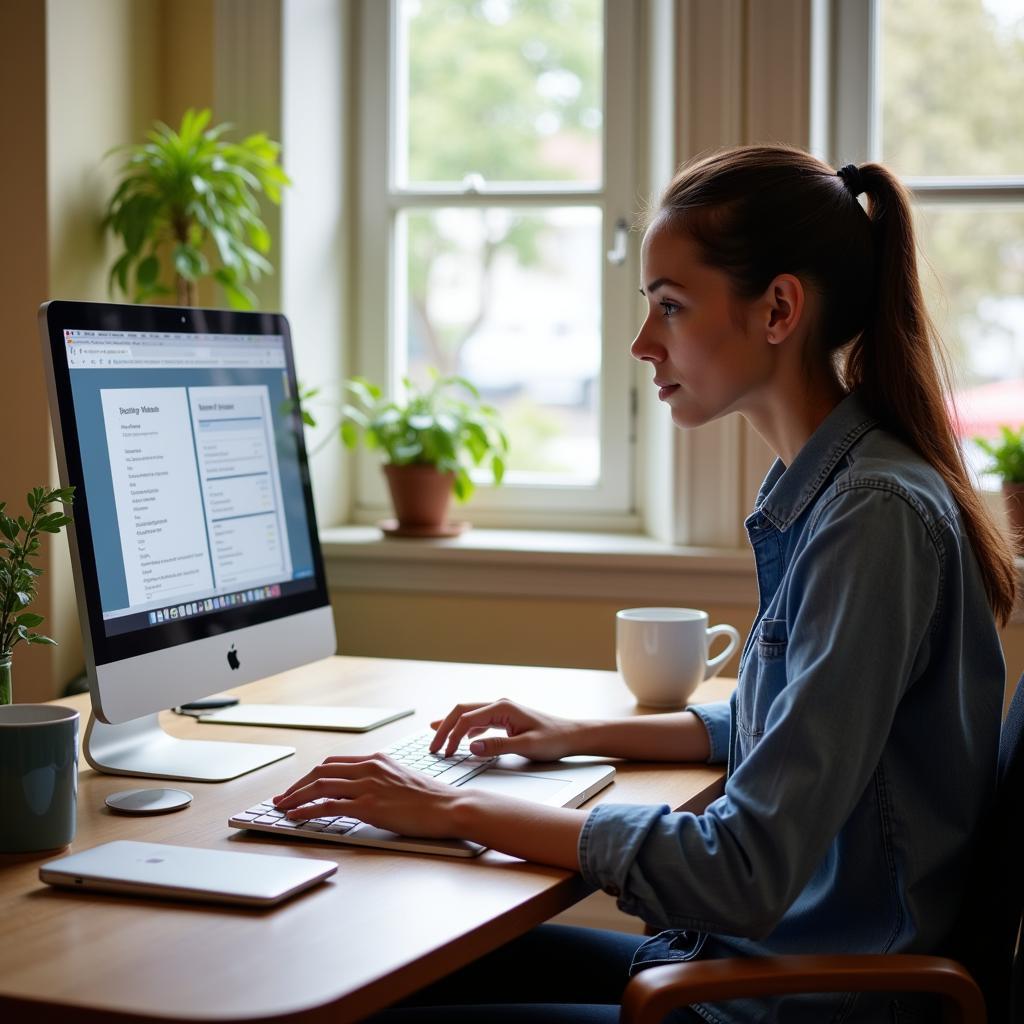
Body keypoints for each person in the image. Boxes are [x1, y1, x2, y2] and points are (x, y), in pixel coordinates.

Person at [272, 145, 1017, 1023]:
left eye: (670, 306)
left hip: (804, 1003)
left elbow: (744, 867)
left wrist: (455, 809)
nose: (641, 343)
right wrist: (576, 732)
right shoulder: (844, 488)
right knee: (389, 967)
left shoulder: (871, 515)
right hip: (766, 970)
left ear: (778, 309)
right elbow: (795, 728)